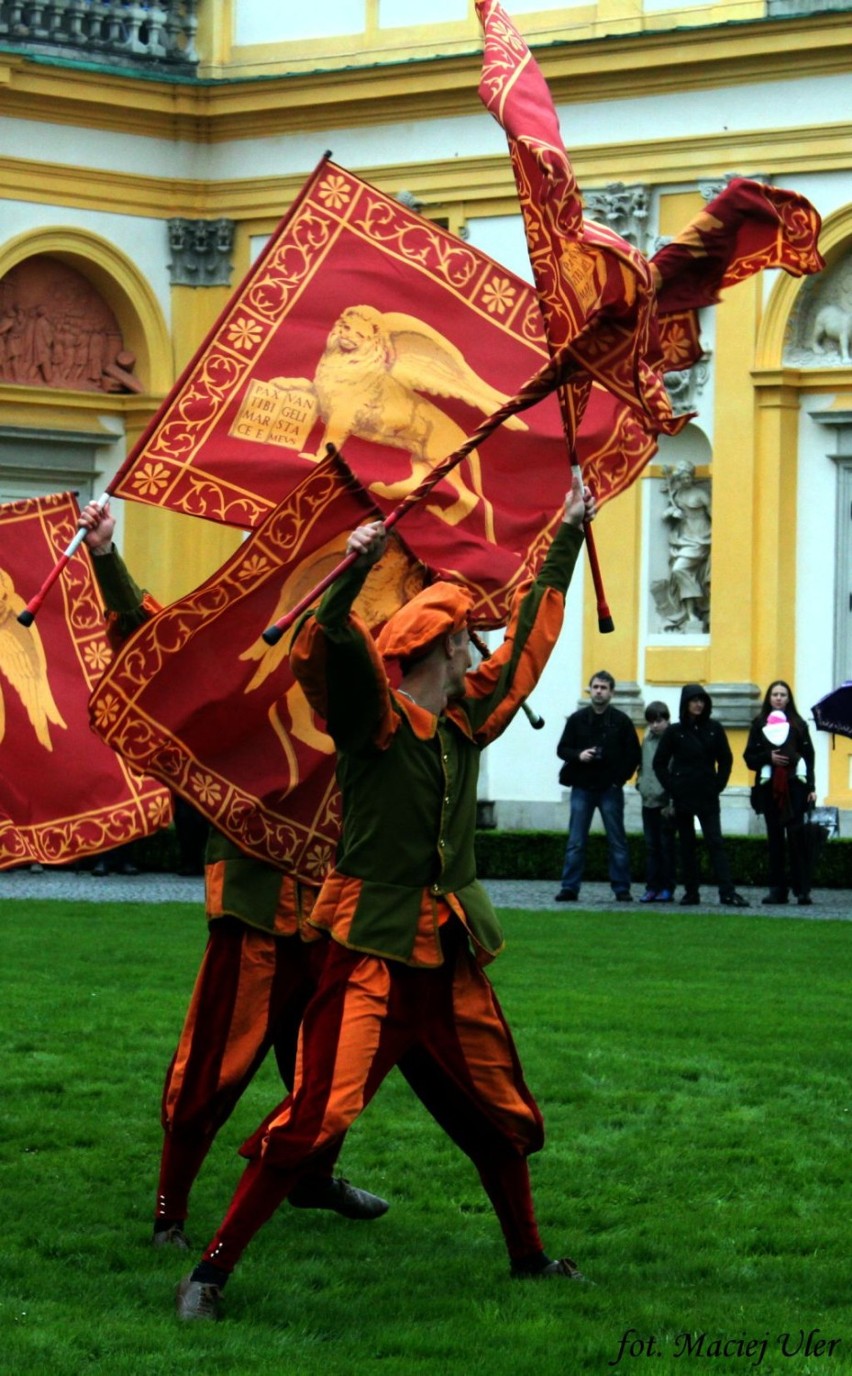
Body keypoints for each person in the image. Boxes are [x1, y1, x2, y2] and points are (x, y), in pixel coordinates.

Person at [174, 475, 595, 1321]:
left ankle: (530, 1259)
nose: (479, 650)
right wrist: (342, 588)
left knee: (504, 1113)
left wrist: (569, 538)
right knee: (316, 1116)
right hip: (370, 960)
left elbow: (527, 648)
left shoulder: (466, 720)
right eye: (466, 641)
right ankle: (209, 1275)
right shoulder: (376, 724)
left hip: (449, 962)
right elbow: (329, 657)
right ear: (440, 651)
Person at [79, 501, 389, 1251]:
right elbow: (152, 640)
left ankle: (312, 1178)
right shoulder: (233, 656)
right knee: (212, 1068)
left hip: (324, 900)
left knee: (330, 1063)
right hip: (251, 901)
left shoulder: (340, 655)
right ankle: (169, 1215)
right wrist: (106, 556)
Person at [652, 683, 748, 907]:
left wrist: (719, 784)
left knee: (715, 842)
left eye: (701, 700)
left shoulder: (714, 728)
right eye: (694, 700)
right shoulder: (675, 732)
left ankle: (727, 891)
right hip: (684, 794)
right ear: (686, 704)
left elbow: (726, 758)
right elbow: (659, 763)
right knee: (687, 845)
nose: (698, 704)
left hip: (707, 793)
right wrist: (673, 786)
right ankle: (691, 892)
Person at [554, 670, 641, 902]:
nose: (599, 691)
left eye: (604, 688)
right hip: (582, 786)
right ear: (589, 690)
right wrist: (579, 755)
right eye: (596, 687)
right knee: (576, 840)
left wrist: (618, 779)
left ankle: (622, 889)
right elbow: (562, 749)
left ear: (611, 692)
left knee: (617, 841)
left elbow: (634, 754)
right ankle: (569, 887)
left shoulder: (621, 721)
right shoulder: (577, 719)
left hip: (610, 788)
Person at [743, 680, 817, 905]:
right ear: (769, 698)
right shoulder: (759, 724)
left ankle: (802, 890)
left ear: (788, 698)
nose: (778, 698)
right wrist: (769, 758)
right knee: (774, 840)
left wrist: (811, 787)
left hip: (795, 788)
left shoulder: (798, 724)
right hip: (769, 789)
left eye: (783, 694)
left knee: (797, 839)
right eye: (775, 694)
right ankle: (777, 889)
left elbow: (808, 758)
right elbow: (749, 758)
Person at [635, 700, 675, 903]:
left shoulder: (673, 740)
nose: (655, 725)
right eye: (651, 721)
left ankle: (667, 887)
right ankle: (652, 887)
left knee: (666, 847)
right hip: (647, 799)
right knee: (651, 847)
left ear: (667, 720)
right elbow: (642, 765)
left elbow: (675, 771)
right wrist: (640, 784)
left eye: (659, 721)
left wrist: (672, 802)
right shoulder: (647, 739)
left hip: (665, 802)